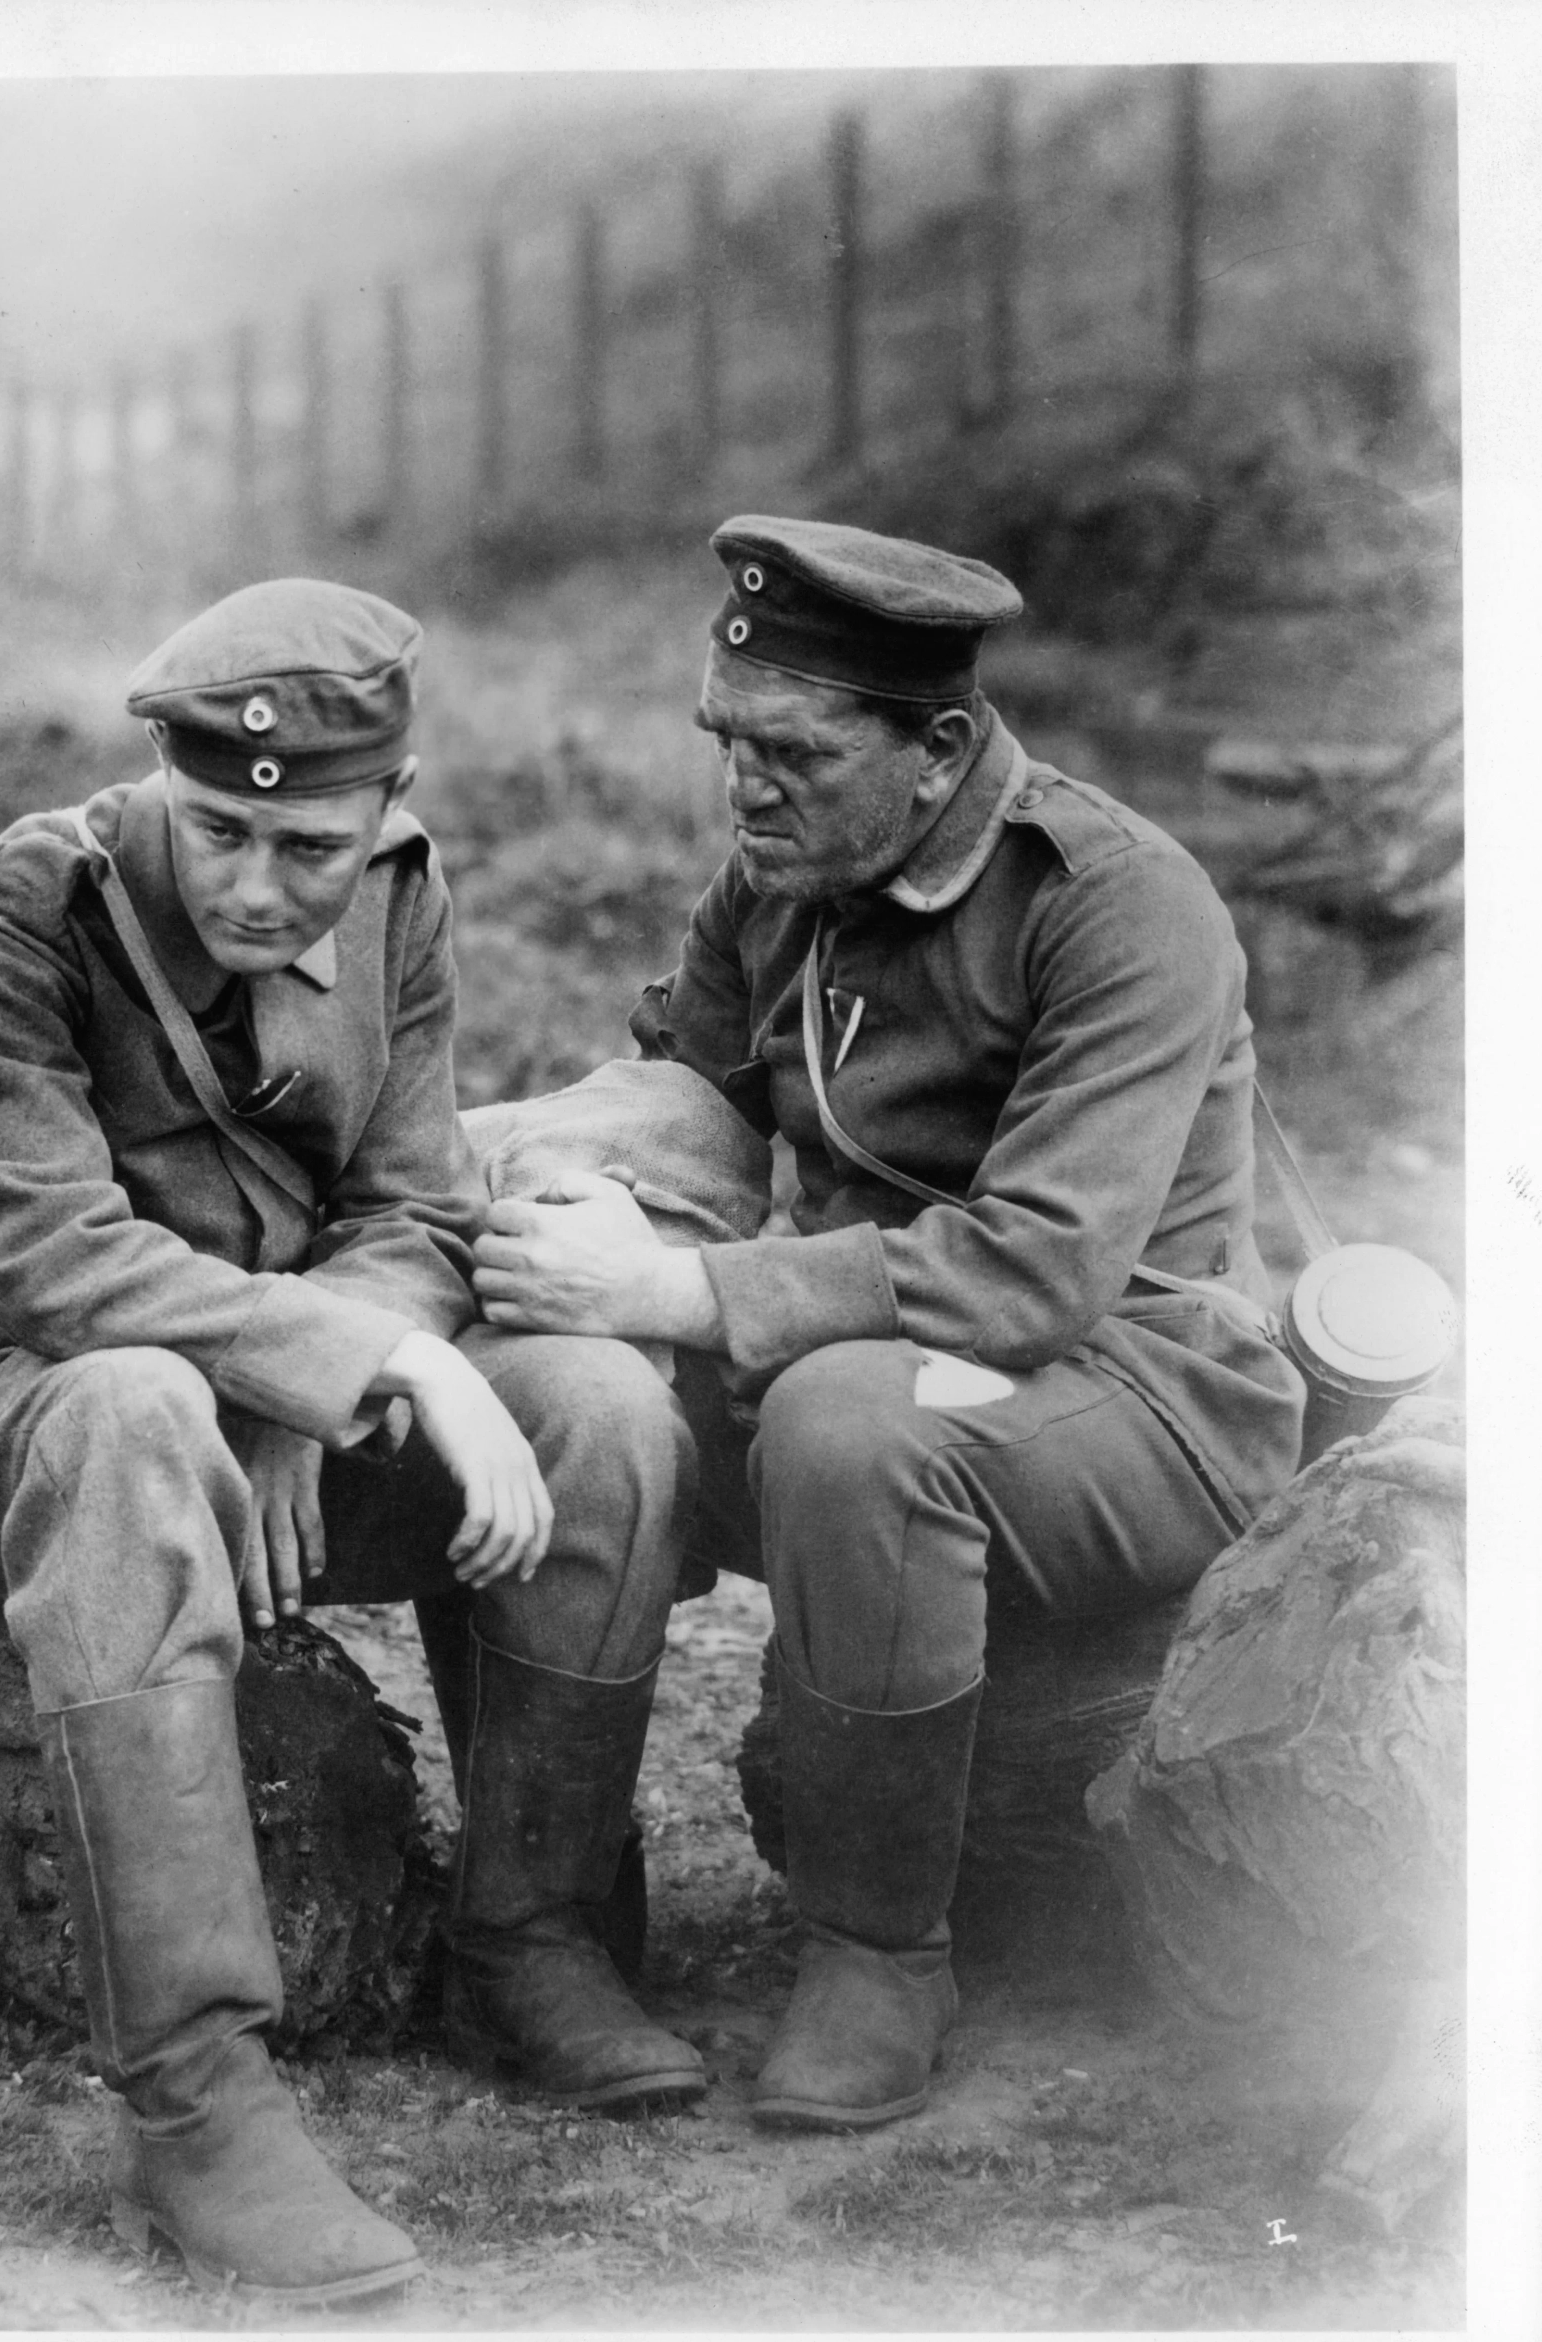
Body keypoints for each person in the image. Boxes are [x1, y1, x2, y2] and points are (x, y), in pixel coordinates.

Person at [0, 579, 703, 2308]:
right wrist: (350, 1361)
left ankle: (524, 1935)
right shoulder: (18, 912)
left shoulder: (402, 900)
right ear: (160, 782)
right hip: (22, 1415)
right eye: (216, 829)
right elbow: (51, 1259)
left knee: (595, 1402)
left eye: (305, 844)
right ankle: (196, 2096)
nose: (254, 883)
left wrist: (332, 1391)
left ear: (381, 811)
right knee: (146, 1406)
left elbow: (405, 1198)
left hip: (255, 1414)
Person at [470, 516, 1308, 2133]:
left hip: (1137, 1391)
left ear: (937, 750)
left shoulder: (1120, 904)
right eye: (729, 744)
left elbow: (1043, 1268)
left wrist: (683, 1289)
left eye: (792, 752)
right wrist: (503, 1177)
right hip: (868, 1368)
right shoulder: (784, 880)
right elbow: (691, 1107)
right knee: (580, 1395)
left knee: (849, 1421)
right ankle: (542, 1918)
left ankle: (876, 1949)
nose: (745, 790)